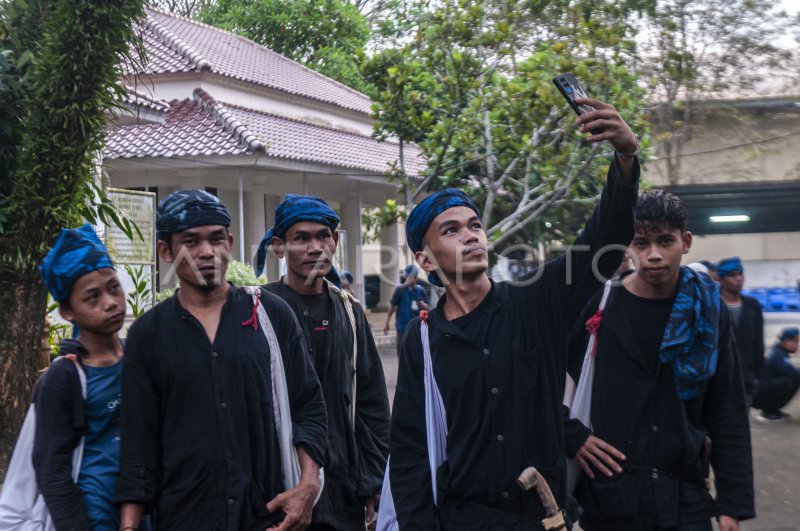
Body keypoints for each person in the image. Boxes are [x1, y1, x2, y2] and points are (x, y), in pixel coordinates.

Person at [387, 97, 640, 530]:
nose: (470, 236)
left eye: (475, 225)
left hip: (544, 517)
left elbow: (604, 242)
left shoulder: (536, 300)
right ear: (425, 260)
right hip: (463, 520)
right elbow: (410, 450)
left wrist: (625, 158)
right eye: (451, 230)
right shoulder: (424, 339)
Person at [114, 189, 328, 530]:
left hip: (267, 515)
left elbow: (309, 406)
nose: (206, 252)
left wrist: (307, 486)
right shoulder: (147, 335)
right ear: (165, 251)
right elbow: (138, 444)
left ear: (229, 242)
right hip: (185, 517)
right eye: (191, 241)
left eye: (216, 239)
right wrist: (128, 526)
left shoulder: (270, 316)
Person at [564, 190, 754, 531]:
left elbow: (727, 409)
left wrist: (732, 504)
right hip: (611, 495)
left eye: (665, 240)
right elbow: (542, 374)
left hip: (686, 495)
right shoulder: (601, 306)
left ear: (686, 242)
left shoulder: (708, 311)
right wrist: (573, 435)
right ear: (628, 247)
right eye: (641, 243)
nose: (654, 255)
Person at [254, 194, 391, 531]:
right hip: (279, 479)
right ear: (279, 246)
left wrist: (374, 479)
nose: (315, 247)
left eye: (323, 236)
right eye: (301, 238)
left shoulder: (349, 311)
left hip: (344, 481)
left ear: (336, 241)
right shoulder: (260, 310)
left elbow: (371, 404)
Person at [33, 223, 132, 531]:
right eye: (92, 297)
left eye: (114, 287)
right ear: (68, 312)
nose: (110, 302)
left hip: (145, 509)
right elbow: (52, 471)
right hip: (93, 517)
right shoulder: (63, 378)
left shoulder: (139, 358)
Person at [717, 256, 765, 404]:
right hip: (718, 375)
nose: (738, 279)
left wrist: (758, 371)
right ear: (721, 279)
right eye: (732, 275)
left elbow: (758, 340)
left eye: (740, 274)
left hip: (746, 374)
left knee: (743, 418)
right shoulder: (713, 305)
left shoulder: (752, 305)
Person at [752, 327, 800, 422]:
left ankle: (773, 409)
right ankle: (769, 412)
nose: (797, 345)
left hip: (757, 392)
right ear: (786, 341)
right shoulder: (778, 355)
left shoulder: (776, 350)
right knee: (788, 382)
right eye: (796, 341)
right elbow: (794, 374)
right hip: (757, 395)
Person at [383, 264, 429, 354]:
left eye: (409, 276)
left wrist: (421, 304)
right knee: (401, 348)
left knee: (416, 349)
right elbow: (392, 306)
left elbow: (427, 309)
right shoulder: (399, 290)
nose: (407, 278)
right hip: (402, 326)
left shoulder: (420, 290)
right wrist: (387, 323)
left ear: (415, 277)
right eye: (406, 276)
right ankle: (402, 367)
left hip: (417, 327)